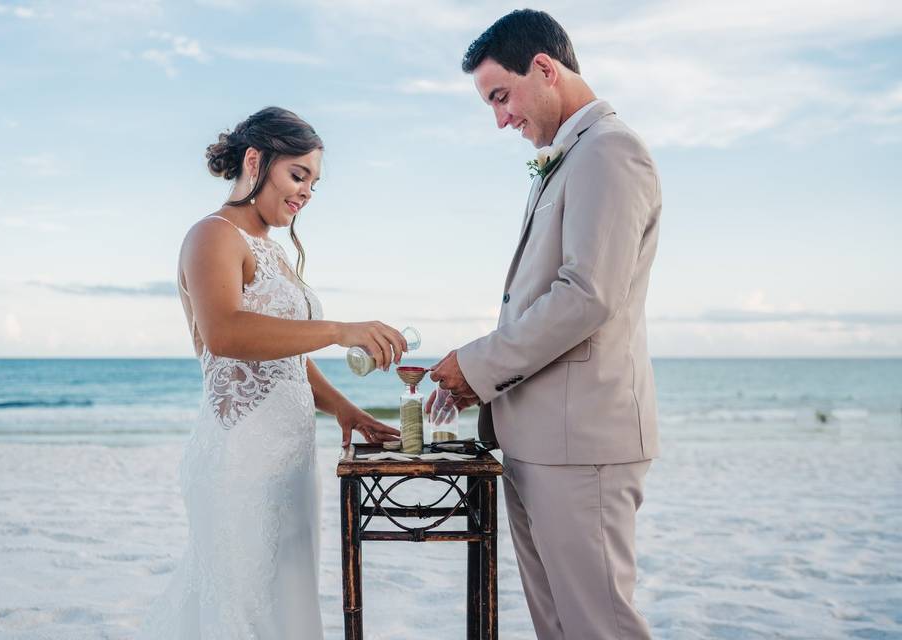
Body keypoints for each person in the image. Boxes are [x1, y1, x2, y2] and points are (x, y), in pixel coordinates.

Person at [428, 10, 661, 639]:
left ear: (545, 68)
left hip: (581, 443)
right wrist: (474, 379)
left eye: (500, 96)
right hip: (538, 440)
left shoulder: (611, 151)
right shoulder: (568, 158)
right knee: (559, 628)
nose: (500, 118)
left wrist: (476, 365)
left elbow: (586, 295)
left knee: (599, 627)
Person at [141, 106, 403, 639]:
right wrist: (338, 330)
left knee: (285, 602)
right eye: (297, 175)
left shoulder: (274, 252)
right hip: (240, 461)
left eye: (314, 182)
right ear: (255, 160)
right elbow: (227, 334)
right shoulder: (212, 235)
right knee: (239, 606)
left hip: (290, 460)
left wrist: (344, 409)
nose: (306, 192)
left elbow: (286, 359)